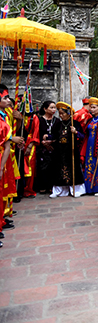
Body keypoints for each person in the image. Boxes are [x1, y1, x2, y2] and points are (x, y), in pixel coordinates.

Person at [26, 101, 62, 194]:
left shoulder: (57, 121)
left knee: (53, 166)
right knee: (42, 167)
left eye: (54, 108)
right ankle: (42, 186)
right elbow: (36, 132)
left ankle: (51, 186)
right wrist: (42, 142)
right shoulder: (39, 120)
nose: (54, 110)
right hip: (42, 147)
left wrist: (52, 141)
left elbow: (59, 134)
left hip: (53, 147)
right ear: (45, 109)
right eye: (51, 107)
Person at [51, 102, 85, 197]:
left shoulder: (75, 123)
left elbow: (82, 136)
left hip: (72, 150)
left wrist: (76, 132)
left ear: (68, 113)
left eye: (63, 113)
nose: (61, 116)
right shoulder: (57, 124)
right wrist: (48, 138)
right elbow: (54, 135)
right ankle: (60, 190)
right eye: (60, 114)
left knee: (74, 169)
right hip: (59, 151)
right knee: (59, 170)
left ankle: (75, 190)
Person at [0, 85, 16, 246]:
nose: (8, 100)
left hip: (5, 156)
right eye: (5, 98)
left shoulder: (5, 115)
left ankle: (2, 220)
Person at [82, 97, 98, 195]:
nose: (91, 109)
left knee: (97, 165)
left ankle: (96, 188)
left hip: (97, 146)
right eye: (91, 107)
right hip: (89, 146)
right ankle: (88, 188)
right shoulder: (91, 120)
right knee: (89, 164)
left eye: (94, 107)